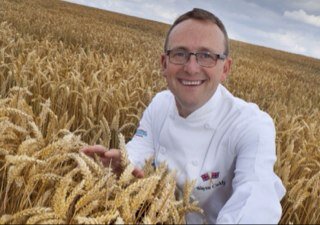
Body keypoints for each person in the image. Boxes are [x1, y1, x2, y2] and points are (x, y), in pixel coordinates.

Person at [81, 8, 286, 224]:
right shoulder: (160, 104)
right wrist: (125, 164)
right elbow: (141, 146)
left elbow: (256, 198)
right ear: (164, 63)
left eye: (206, 55)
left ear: (225, 68)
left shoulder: (251, 124)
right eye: (180, 53)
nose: (191, 67)